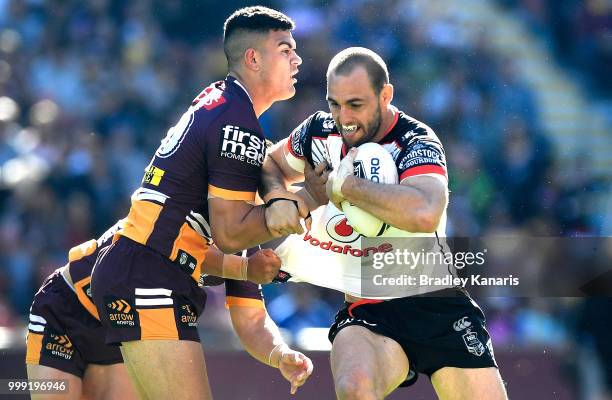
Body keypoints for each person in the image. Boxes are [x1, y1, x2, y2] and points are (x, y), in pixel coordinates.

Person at [261, 47, 507, 399]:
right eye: (335, 104)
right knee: (354, 387)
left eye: (356, 105)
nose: (343, 118)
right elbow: (272, 165)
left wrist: (345, 186)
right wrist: (278, 198)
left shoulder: (415, 140)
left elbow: (425, 212)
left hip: (437, 303)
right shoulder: (319, 132)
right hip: (369, 307)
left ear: (385, 95)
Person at [90, 6, 309, 399]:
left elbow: (246, 307)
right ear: (253, 58)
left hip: (144, 269)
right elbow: (229, 232)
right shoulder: (236, 122)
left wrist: (278, 355)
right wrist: (309, 198)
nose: (298, 59)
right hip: (148, 274)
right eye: (285, 49)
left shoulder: (224, 106)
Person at [27, 221, 312, 399]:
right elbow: (199, 255)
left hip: (127, 327)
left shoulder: (246, 246)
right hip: (62, 310)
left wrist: (279, 354)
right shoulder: (180, 201)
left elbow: (251, 321)